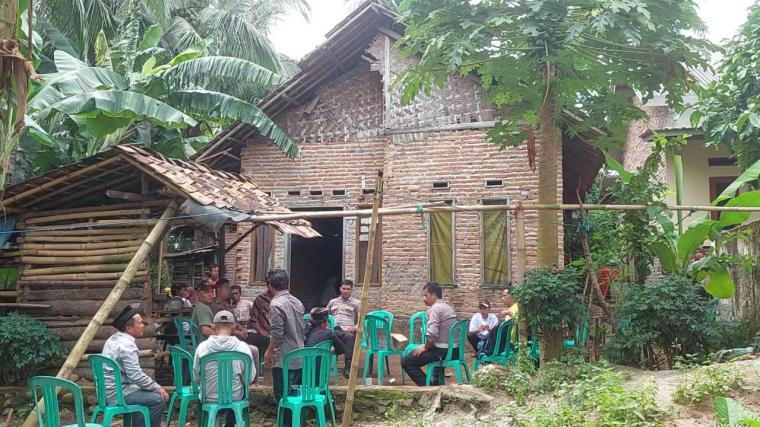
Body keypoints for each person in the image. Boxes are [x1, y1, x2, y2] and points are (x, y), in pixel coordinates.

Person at [102, 306, 169, 427]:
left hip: (106, 392)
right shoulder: (127, 345)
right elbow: (134, 375)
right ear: (128, 328)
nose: (143, 325)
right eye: (139, 323)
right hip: (118, 394)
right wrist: (157, 387)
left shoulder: (112, 339)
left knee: (143, 395)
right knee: (158, 399)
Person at [193, 310, 256, 427]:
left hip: (209, 397)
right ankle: (231, 424)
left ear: (213, 327)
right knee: (239, 391)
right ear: (233, 327)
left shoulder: (202, 348)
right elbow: (249, 379)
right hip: (235, 396)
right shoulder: (243, 348)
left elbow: (196, 378)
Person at [263, 269, 304, 425]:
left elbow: (277, 335)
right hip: (299, 355)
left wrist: (268, 352)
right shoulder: (297, 301)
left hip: (284, 358)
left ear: (269, 286)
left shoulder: (276, 303)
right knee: (296, 397)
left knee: (283, 398)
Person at [401, 282, 458, 386]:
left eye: (426, 295)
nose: (424, 298)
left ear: (434, 295)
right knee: (426, 352)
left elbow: (432, 335)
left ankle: (428, 388)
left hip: (443, 351)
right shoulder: (448, 307)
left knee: (406, 361)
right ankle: (436, 383)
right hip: (455, 350)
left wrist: (425, 347)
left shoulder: (435, 309)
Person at [326, 279, 359, 377]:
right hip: (335, 330)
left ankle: (348, 367)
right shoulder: (332, 302)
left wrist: (355, 327)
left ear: (351, 290)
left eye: (348, 289)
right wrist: (327, 327)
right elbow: (325, 317)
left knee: (349, 337)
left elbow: (362, 319)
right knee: (326, 335)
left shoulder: (356, 303)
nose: (345, 291)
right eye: (343, 288)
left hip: (349, 330)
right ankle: (325, 367)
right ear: (340, 289)